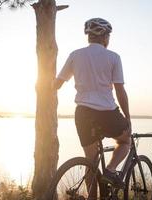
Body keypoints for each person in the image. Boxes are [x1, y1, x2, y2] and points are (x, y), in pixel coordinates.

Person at [55, 18, 131, 190]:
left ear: (89, 36)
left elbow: (57, 84)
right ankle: (110, 171)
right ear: (104, 36)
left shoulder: (75, 55)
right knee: (126, 141)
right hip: (107, 112)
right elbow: (120, 91)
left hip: (82, 113)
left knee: (91, 162)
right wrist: (127, 117)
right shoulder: (113, 57)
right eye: (108, 35)